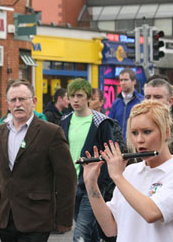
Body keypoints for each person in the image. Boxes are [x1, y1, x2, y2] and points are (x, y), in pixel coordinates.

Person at [0, 79, 77, 242]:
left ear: (34, 101)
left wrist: (64, 218)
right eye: (13, 100)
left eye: (22, 99)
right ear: (7, 104)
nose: (18, 104)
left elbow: (67, 177)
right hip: (7, 218)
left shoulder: (50, 133)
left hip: (37, 218)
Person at [83, 100, 173, 242]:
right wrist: (91, 183)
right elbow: (110, 228)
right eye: (134, 133)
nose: (139, 140)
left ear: (166, 132)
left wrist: (117, 176)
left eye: (147, 132)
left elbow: (152, 213)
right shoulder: (130, 172)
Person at [59, 78, 115, 242]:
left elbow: (110, 153)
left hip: (93, 185)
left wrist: (102, 182)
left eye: (80, 95)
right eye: (72, 96)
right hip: (71, 185)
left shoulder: (101, 122)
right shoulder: (64, 120)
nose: (75, 100)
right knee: (90, 232)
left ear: (88, 97)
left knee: (81, 234)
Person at [143, 79, 173, 160]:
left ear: (170, 101)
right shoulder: (135, 128)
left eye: (157, 97)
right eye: (148, 97)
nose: (151, 101)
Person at [109, 68, 144, 139]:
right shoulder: (116, 103)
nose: (123, 83)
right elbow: (110, 124)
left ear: (134, 81)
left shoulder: (141, 101)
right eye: (121, 80)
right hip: (118, 144)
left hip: (135, 143)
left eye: (126, 80)